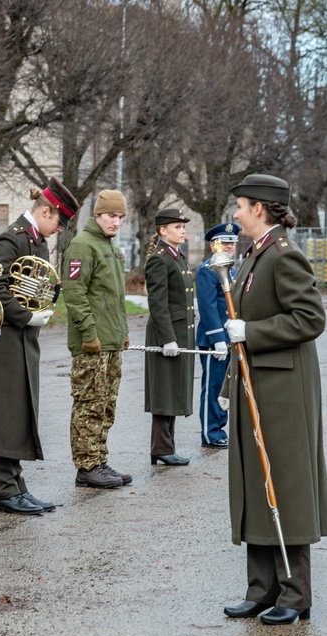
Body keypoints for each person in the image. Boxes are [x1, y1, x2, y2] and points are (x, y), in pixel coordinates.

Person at [219, 174, 327, 626]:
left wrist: (253, 333)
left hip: (282, 392)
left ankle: (295, 594)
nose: (236, 214)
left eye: (241, 206)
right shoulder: (255, 254)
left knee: (284, 485)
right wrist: (230, 386)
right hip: (255, 386)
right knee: (255, 481)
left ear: (260, 208)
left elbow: (310, 318)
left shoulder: (285, 255)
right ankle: (260, 589)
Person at [0, 178, 78, 514]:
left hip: (23, 341)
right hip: (4, 339)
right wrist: (26, 317)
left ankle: (16, 484)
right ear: (46, 211)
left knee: (19, 413)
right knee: (4, 415)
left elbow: (34, 285)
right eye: (58, 222)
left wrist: (40, 308)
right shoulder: (12, 238)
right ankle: (5, 490)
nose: (58, 230)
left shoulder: (35, 240)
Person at [62, 189, 131, 489]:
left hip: (111, 342)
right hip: (93, 344)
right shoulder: (82, 245)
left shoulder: (111, 248)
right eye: (111, 216)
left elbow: (115, 298)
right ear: (97, 215)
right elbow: (75, 294)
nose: (116, 222)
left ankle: (100, 459)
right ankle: (87, 466)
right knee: (89, 403)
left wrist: (123, 332)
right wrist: (88, 333)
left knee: (106, 405)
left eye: (120, 217)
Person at [143, 208, 195, 466]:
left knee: (173, 388)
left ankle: (165, 447)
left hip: (179, 333)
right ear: (163, 231)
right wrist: (167, 338)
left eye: (183, 226)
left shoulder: (176, 256)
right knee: (165, 390)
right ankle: (162, 448)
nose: (182, 230)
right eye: (177, 226)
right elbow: (157, 302)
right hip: (167, 334)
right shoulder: (160, 259)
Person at [196, 223, 239, 449]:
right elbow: (208, 307)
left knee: (226, 387)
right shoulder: (207, 269)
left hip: (229, 338)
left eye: (232, 242)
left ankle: (220, 429)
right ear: (214, 245)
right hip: (215, 340)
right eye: (225, 242)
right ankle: (210, 432)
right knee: (213, 386)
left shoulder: (232, 269)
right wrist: (218, 339)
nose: (230, 246)